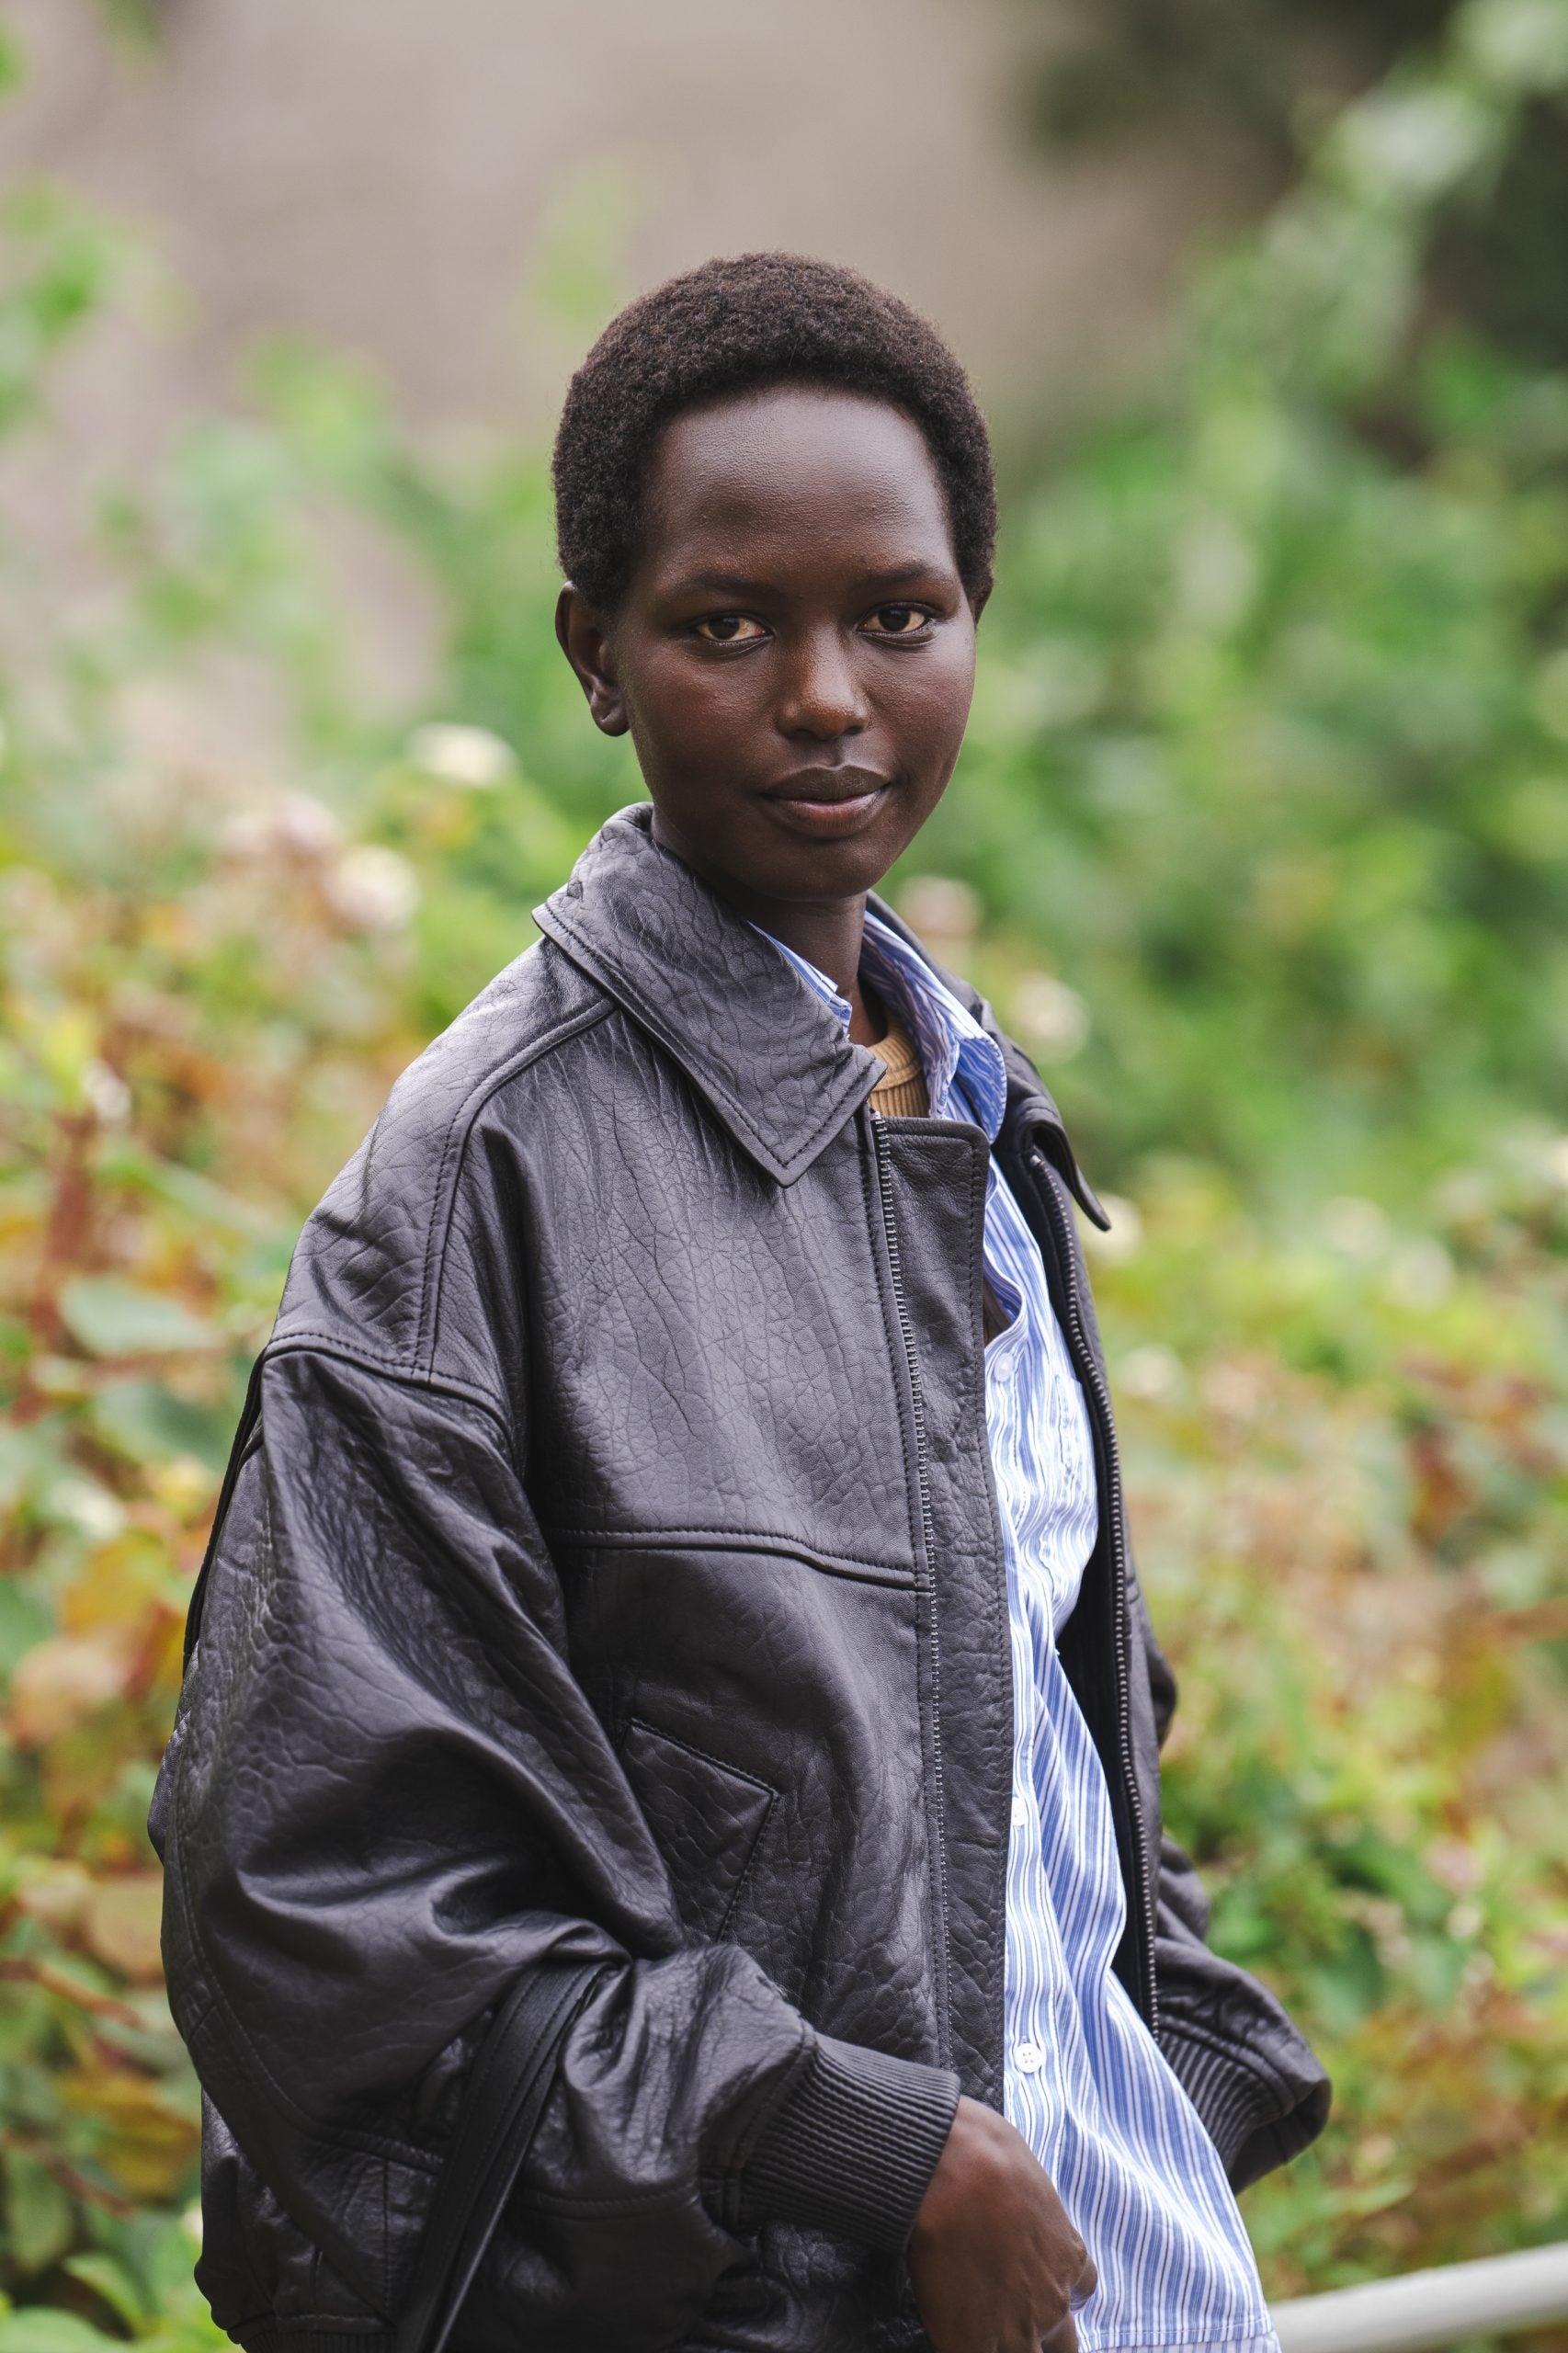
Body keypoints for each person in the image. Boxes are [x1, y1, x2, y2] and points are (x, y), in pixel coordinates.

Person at [153, 253, 1329, 2353]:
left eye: (898, 614)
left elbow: (1031, 1734)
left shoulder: (964, 1105)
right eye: (727, 624)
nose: (826, 694)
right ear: (594, 656)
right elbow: (322, 1913)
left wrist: (1182, 2063)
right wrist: (886, 2149)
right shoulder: (474, 1182)